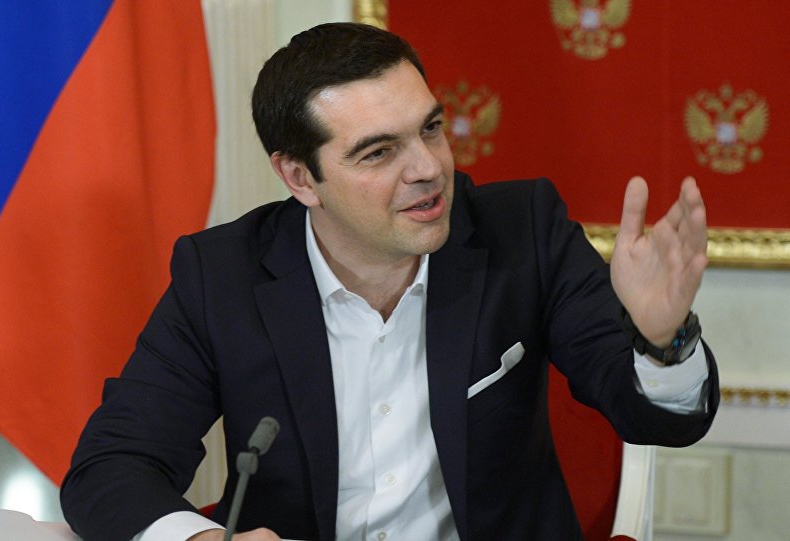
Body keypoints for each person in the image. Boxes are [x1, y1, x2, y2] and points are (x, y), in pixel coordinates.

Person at [60, 22, 719, 541]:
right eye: (379, 152)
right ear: (300, 178)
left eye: (430, 129)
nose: (428, 168)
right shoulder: (222, 276)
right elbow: (110, 467)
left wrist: (664, 340)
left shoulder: (523, 233)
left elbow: (656, 419)